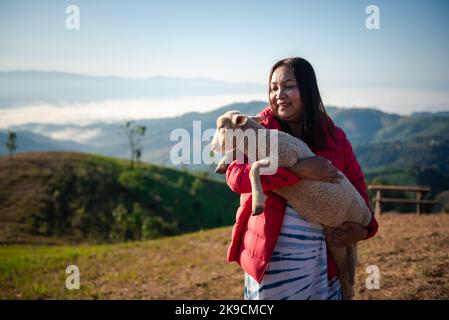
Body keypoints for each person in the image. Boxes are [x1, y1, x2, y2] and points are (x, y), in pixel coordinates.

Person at [225, 57, 379, 300]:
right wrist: (297, 170)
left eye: (288, 86)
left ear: (308, 89)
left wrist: (363, 231)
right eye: (273, 88)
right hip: (274, 263)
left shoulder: (335, 137)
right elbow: (235, 177)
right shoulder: (257, 131)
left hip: (324, 264)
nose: (279, 95)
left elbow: (360, 193)